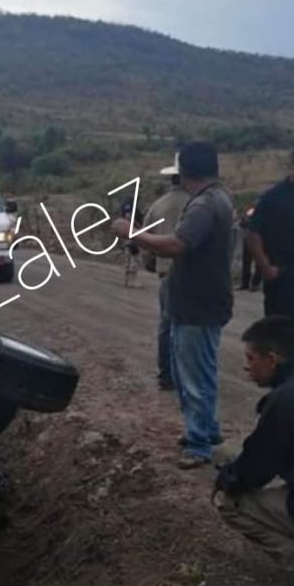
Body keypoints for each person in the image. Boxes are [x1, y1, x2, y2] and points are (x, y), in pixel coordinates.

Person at [113, 142, 234, 468]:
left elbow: (175, 245)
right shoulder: (214, 199)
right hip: (198, 301)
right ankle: (206, 430)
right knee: (193, 372)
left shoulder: (204, 206)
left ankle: (199, 445)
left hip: (198, 303)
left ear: (184, 170)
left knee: (195, 376)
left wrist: (133, 233)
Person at [214, 316, 294, 586]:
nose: (246, 366)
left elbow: (255, 471)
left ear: (273, 359)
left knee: (228, 502)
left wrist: (226, 477)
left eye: (251, 358)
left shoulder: (285, 400)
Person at [141, 159, 189, 390]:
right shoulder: (200, 203)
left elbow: (145, 242)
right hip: (196, 273)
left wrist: (152, 264)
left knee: (167, 325)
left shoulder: (158, 205)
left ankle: (166, 375)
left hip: (167, 273)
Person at [245, 145, 294, 320]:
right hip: (282, 277)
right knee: (280, 337)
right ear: (290, 167)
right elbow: (253, 232)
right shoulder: (273, 198)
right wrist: (265, 268)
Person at [237, 205, 260, 291]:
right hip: (248, 238)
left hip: (259, 239)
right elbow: (242, 224)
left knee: (258, 262)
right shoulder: (251, 211)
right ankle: (245, 283)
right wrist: (244, 221)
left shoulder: (264, 213)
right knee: (246, 261)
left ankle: (255, 283)